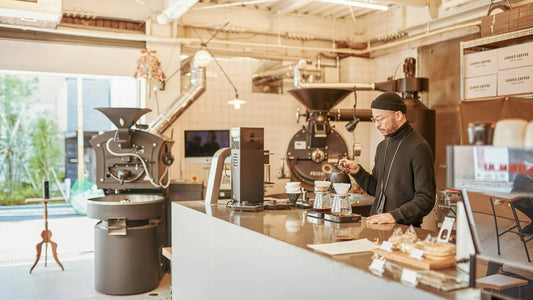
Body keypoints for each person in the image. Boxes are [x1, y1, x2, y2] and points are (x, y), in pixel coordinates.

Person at [339, 92, 436, 227]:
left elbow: (426, 198)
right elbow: (376, 189)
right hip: (377, 225)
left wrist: (394, 216)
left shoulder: (419, 147)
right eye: (374, 120)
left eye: (380, 119)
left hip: (404, 229)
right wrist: (358, 172)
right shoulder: (382, 146)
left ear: (398, 115)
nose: (377, 125)